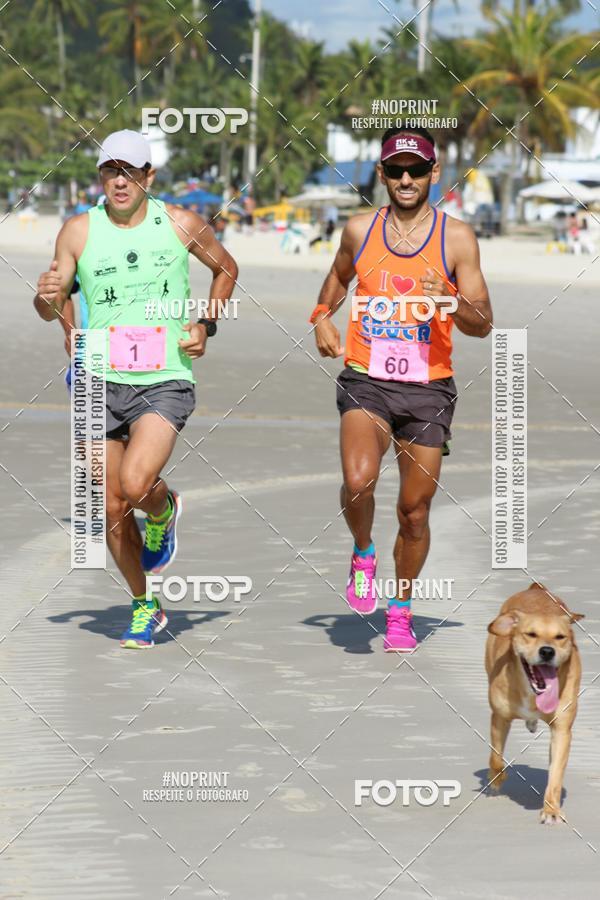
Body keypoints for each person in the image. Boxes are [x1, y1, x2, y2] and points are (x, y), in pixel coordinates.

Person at [34, 129, 238, 649]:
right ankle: (146, 604)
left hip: (163, 377)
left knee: (137, 480)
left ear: (149, 176)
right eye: (110, 171)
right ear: (100, 176)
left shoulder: (180, 223)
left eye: (130, 171)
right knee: (108, 507)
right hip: (98, 376)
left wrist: (205, 324)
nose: (119, 181)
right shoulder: (79, 231)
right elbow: (53, 300)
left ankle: (165, 510)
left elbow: (226, 268)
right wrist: (52, 307)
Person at [310, 127, 493, 652]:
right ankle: (363, 552)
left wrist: (452, 300)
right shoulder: (358, 229)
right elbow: (337, 279)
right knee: (358, 479)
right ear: (381, 174)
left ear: (435, 173)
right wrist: (322, 315)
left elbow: (484, 323)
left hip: (429, 389)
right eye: (395, 170)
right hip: (366, 377)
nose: (406, 179)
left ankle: (401, 611)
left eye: (416, 170)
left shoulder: (456, 239)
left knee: (415, 511)